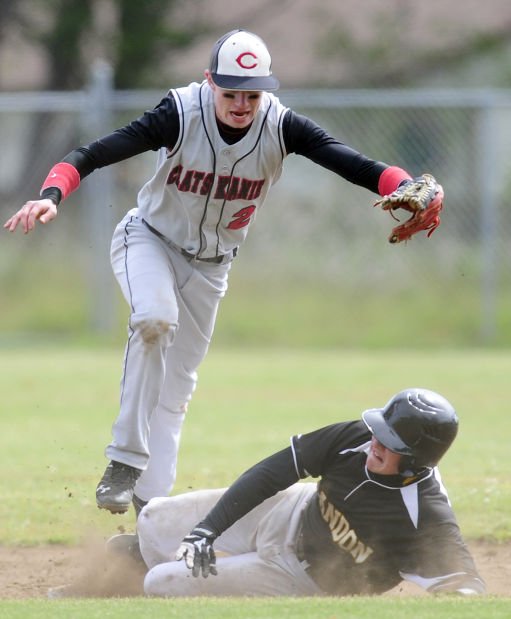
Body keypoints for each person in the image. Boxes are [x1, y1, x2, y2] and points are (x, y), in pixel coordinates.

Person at [4, 29, 439, 518]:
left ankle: (152, 513)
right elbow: (92, 153)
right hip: (148, 240)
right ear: (210, 81)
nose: (240, 103)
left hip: (212, 270)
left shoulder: (281, 126)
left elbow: (354, 163)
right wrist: (51, 194)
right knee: (154, 321)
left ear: (266, 92)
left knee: (177, 391)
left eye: (251, 94)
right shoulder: (180, 113)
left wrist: (408, 184)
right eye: (230, 91)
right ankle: (123, 463)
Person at [134, 388, 485, 597]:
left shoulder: (425, 517)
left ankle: (163, 574)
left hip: (300, 577)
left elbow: (465, 587)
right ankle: (156, 558)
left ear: (415, 461)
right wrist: (207, 529)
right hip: (293, 511)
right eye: (380, 429)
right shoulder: (359, 439)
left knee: (159, 583)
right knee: (152, 518)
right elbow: (272, 472)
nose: (375, 441)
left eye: (390, 442)